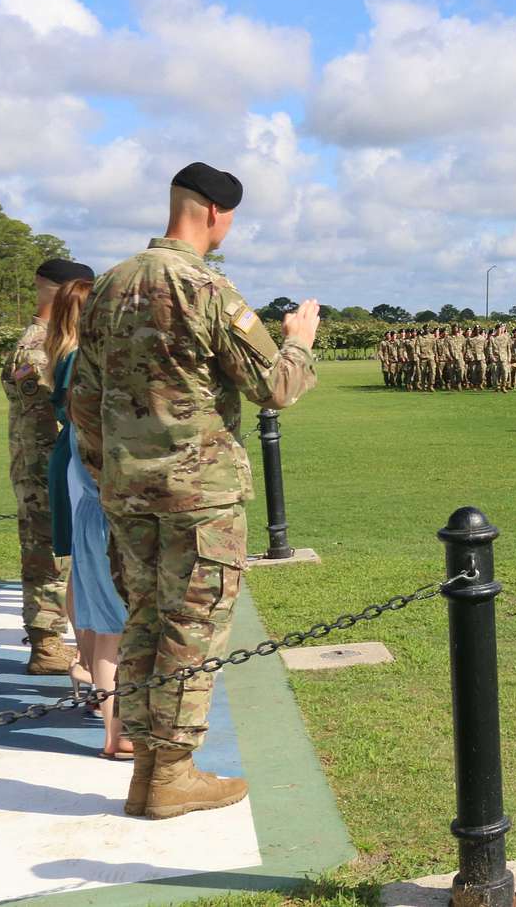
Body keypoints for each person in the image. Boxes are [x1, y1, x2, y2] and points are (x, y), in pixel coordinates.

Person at [71, 161, 320, 820]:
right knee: (191, 629)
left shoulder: (109, 287)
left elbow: (83, 400)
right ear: (214, 213)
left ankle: (150, 768)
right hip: (199, 498)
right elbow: (277, 388)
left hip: (128, 495)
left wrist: (111, 472)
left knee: (146, 624)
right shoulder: (210, 289)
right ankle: (172, 772)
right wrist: (299, 342)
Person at [44, 269, 135, 760]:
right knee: (116, 625)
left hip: (86, 506)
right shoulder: (89, 374)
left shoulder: (69, 362)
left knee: (103, 625)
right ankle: (118, 731)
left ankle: (112, 728)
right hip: (104, 509)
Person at [2, 258, 88, 674]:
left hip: (44, 462)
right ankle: (46, 644)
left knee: (57, 553)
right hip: (44, 465)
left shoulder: (47, 338)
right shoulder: (41, 344)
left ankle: (53, 639)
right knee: (47, 556)